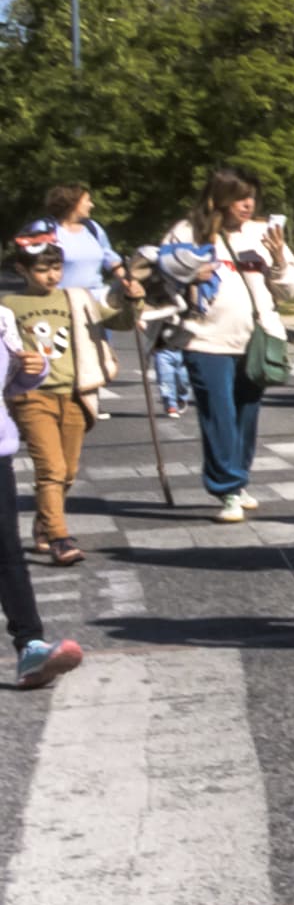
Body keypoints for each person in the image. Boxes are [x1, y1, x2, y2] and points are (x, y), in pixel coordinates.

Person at [152, 168, 294, 526]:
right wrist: (189, 275)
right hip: (204, 339)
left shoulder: (262, 233)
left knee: (246, 415)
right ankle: (227, 487)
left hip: (256, 339)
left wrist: (279, 260)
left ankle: (239, 476)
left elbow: (291, 290)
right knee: (218, 415)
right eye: (239, 197)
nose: (248, 204)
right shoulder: (186, 232)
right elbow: (160, 279)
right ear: (218, 198)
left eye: (252, 197)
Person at [4, 222, 122, 568]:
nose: (52, 275)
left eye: (56, 268)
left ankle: (43, 526)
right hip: (31, 396)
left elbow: (119, 319)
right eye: (43, 269)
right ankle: (59, 538)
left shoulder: (76, 298)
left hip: (74, 393)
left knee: (68, 470)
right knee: (51, 468)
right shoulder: (10, 305)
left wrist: (132, 298)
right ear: (22, 269)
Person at [0, 280, 83, 689]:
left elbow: (13, 380)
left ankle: (30, 647)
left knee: (7, 552)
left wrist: (33, 368)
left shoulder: (2, 319)